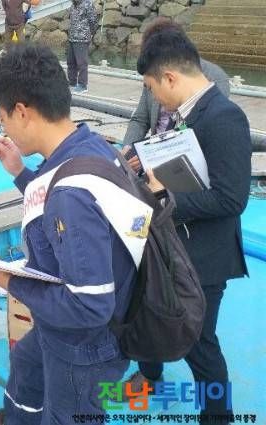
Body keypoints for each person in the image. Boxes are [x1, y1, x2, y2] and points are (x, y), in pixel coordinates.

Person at [0, 43, 140, 425]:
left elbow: (88, 307)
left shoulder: (71, 195)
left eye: (2, 118)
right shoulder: (90, 146)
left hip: (84, 345)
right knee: (26, 363)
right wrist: (20, 172)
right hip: (78, 326)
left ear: (22, 112)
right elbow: (59, 201)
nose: (1, 128)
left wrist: (5, 278)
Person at [136, 29, 251, 424]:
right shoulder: (190, 112)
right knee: (150, 309)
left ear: (169, 77)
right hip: (177, 242)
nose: (154, 98)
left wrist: (167, 197)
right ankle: (150, 375)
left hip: (206, 256)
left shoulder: (224, 117)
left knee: (199, 342)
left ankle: (218, 416)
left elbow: (232, 199)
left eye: (152, 88)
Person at [123, 18, 230, 151]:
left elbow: (210, 131)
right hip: (154, 150)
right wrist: (128, 147)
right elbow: (140, 119)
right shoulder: (153, 73)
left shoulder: (215, 79)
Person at [67, 0, 98, 93]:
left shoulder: (88, 4)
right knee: (70, 62)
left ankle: (83, 85)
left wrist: (90, 33)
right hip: (72, 38)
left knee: (82, 63)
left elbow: (93, 21)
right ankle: (72, 82)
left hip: (82, 39)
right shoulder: (73, 5)